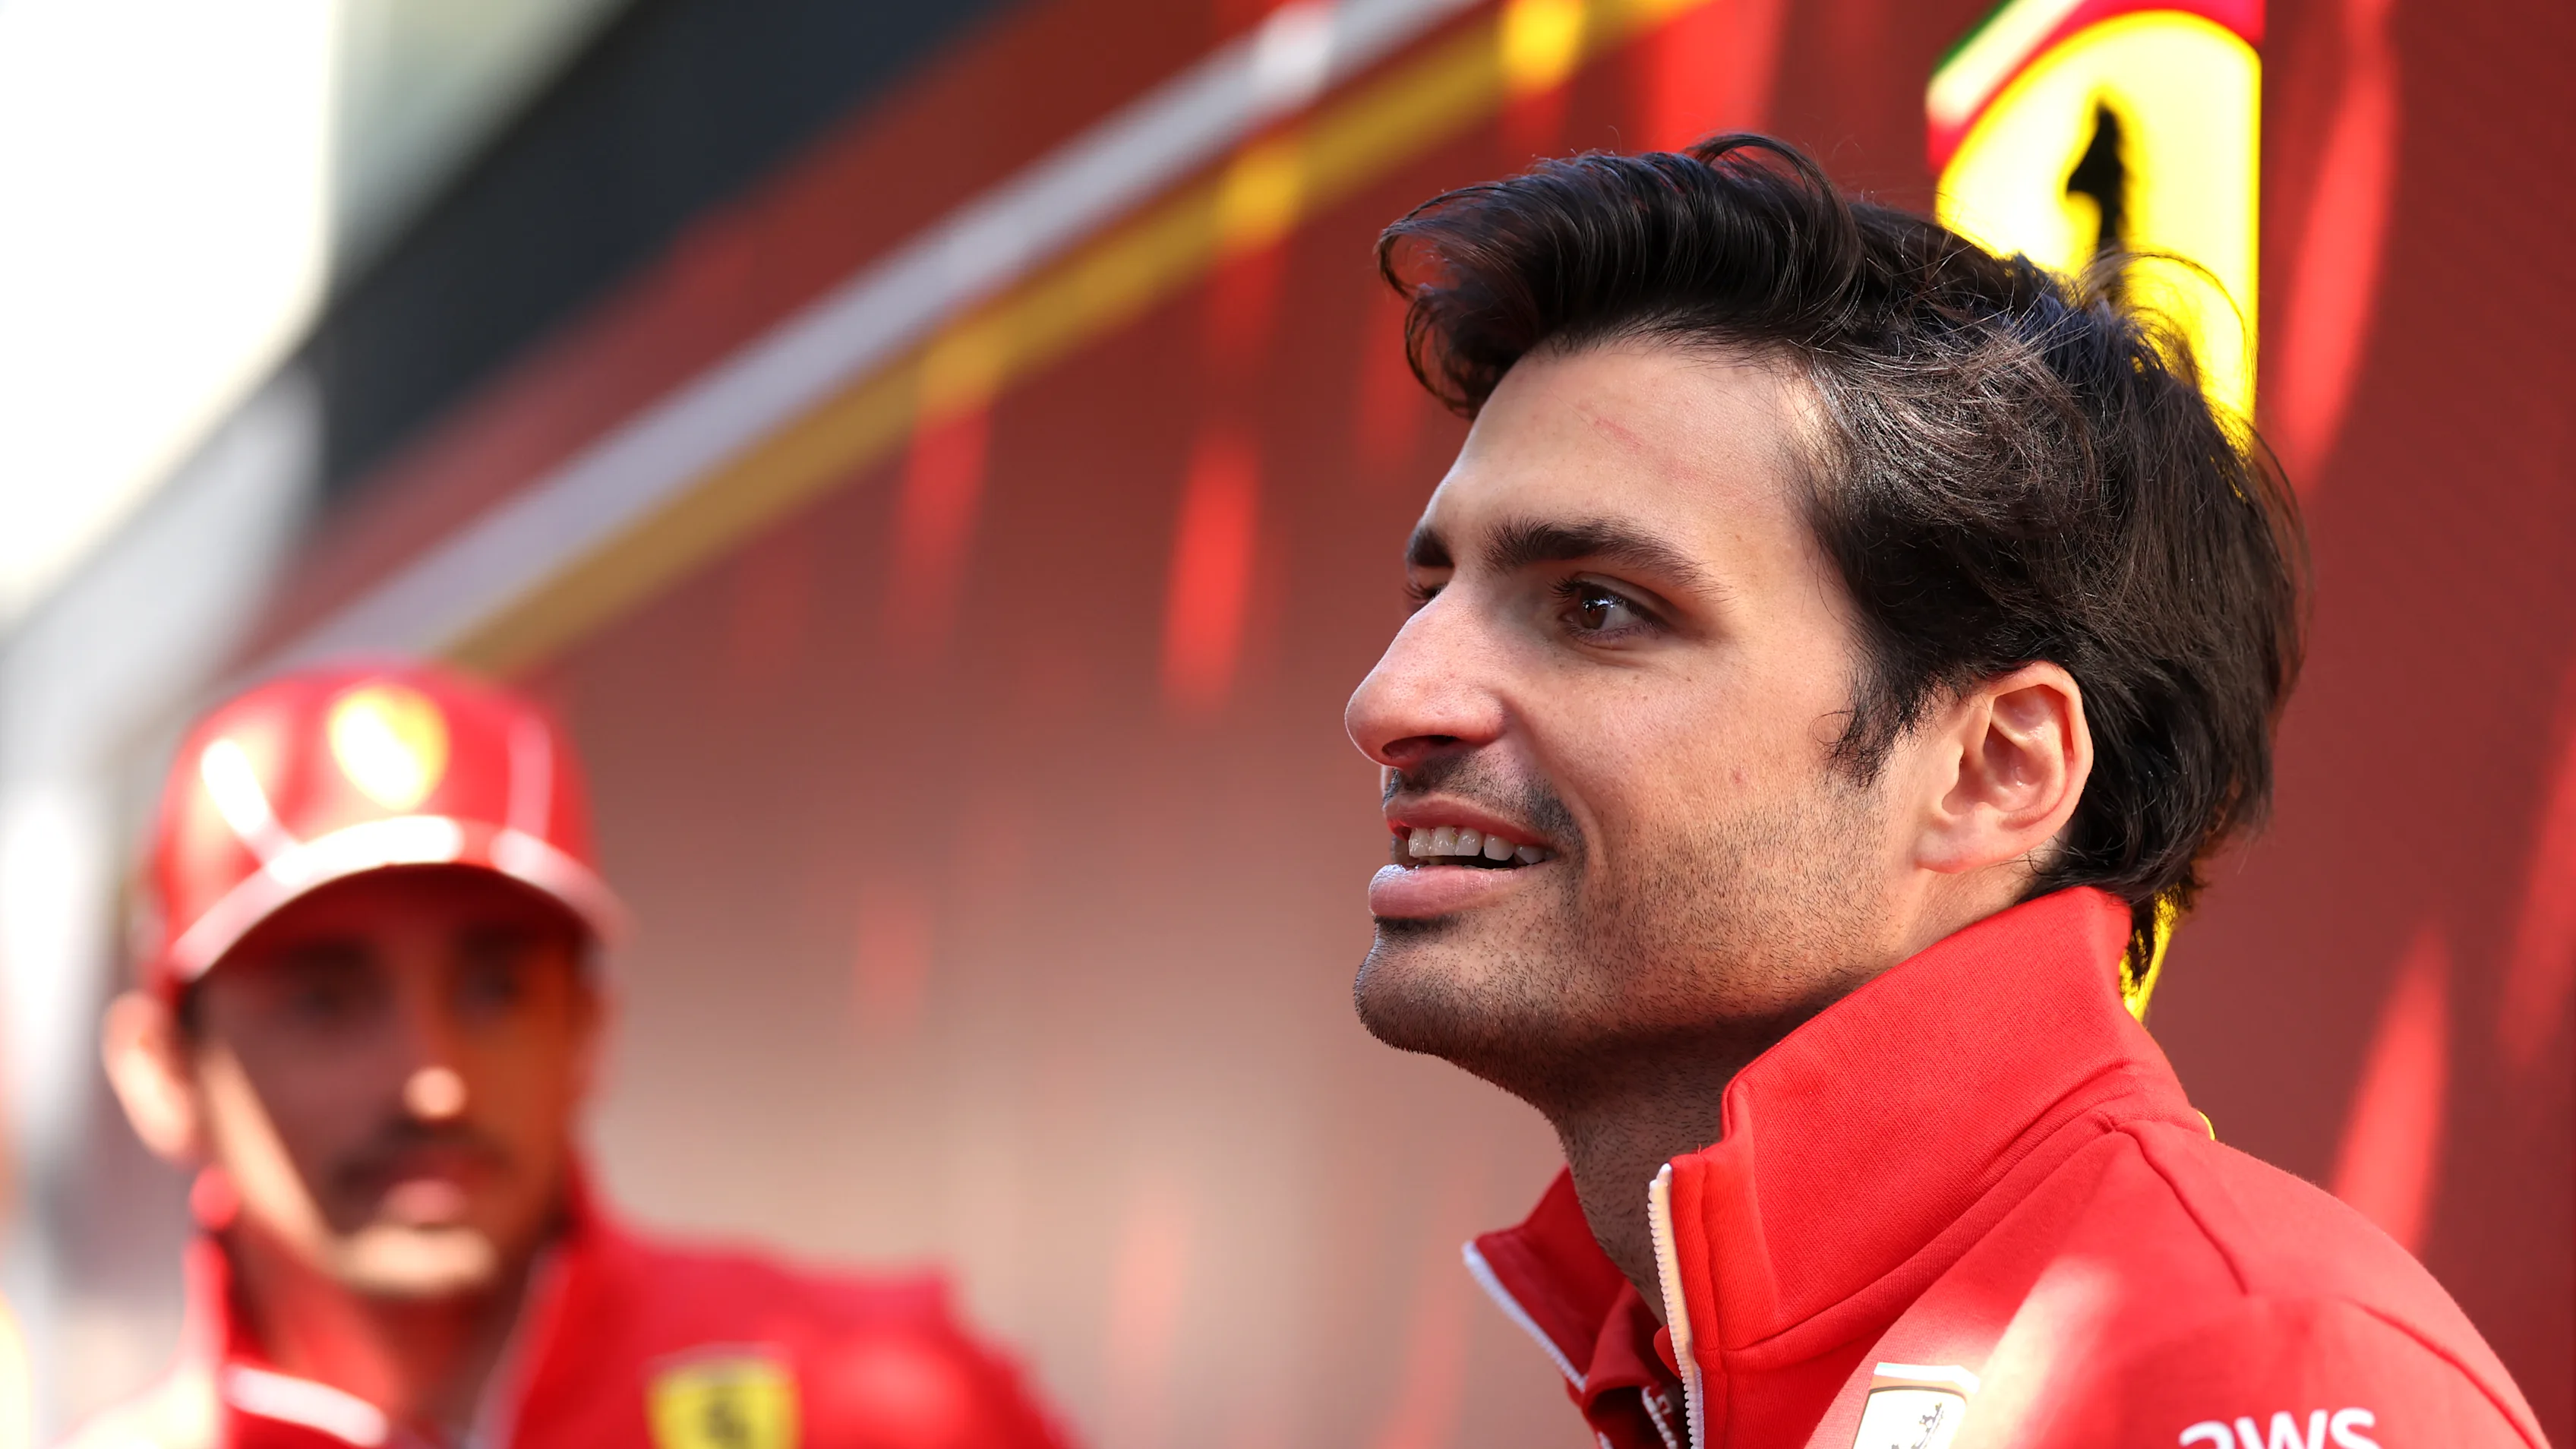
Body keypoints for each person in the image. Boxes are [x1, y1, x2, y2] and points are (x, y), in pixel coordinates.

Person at [1343, 137, 2542, 1449]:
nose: (1392, 701)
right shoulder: (1674, 1365)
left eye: (1597, 606)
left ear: (1994, 770)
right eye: (1430, 594)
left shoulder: (2234, 1359)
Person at [80, 661, 1069, 1449]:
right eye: (323, 1002)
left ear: (589, 1031)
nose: (432, 1079)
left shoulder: (884, 1397)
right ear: (165, 1073)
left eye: (494, 990)